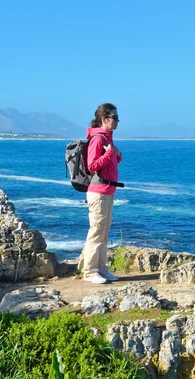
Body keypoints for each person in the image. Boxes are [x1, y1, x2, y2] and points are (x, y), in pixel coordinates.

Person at [82, 103, 122, 284]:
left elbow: (109, 164)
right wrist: (108, 155)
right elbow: (92, 165)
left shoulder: (108, 139)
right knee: (96, 232)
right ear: (104, 119)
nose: (117, 121)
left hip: (108, 190)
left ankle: (101, 268)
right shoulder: (98, 139)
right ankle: (90, 271)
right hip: (98, 192)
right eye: (114, 117)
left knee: (103, 232)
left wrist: (115, 155)